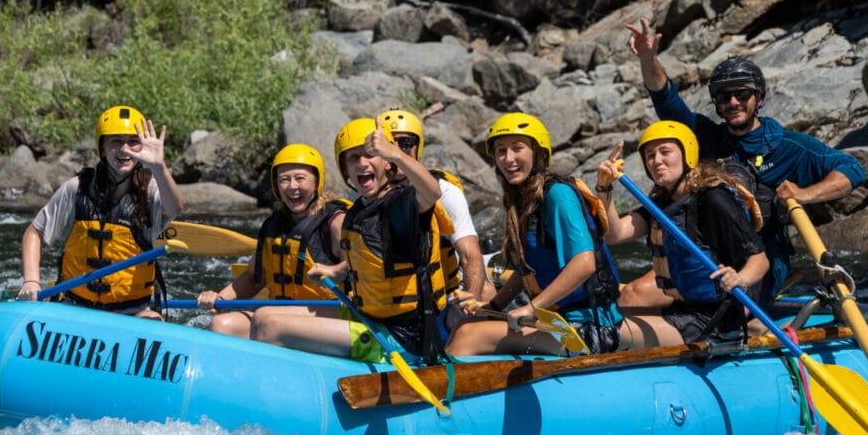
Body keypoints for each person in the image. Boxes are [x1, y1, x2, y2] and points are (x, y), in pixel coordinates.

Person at [625, 17, 865, 303]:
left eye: (743, 94)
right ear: (717, 104)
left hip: (763, 258)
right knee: (634, 293)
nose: (734, 103)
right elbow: (665, 98)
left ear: (759, 98)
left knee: (727, 306)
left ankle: (751, 316)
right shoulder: (704, 136)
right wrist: (648, 59)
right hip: (710, 253)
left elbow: (851, 169)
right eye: (724, 98)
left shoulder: (789, 146)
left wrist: (805, 194)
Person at [446, 113, 674, 357]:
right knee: (467, 324)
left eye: (517, 148)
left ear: (538, 154)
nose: (508, 158)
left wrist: (532, 307)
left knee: (467, 335)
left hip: (591, 327)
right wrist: (492, 306)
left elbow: (585, 263)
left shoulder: (558, 194)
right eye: (501, 151)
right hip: (556, 320)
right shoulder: (522, 202)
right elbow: (529, 272)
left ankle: (445, 381)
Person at [249, 115, 446, 364]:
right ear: (345, 170)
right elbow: (372, 263)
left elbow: (432, 192)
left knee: (271, 327)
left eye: (370, 154)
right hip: (369, 318)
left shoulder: (400, 205)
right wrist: (337, 272)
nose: (362, 163)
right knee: (264, 315)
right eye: (353, 158)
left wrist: (395, 153)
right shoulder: (358, 211)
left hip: (402, 339)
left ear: (387, 164)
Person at [597, 121, 770, 345]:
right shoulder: (662, 203)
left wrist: (740, 278)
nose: (656, 160)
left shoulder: (714, 199)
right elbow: (615, 234)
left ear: (687, 154)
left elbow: (760, 260)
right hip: (684, 307)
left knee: (606, 334)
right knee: (620, 306)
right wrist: (604, 188)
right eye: (650, 155)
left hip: (716, 317)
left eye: (665, 152)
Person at [18, 105, 183, 319]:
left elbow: (175, 208)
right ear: (102, 147)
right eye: (116, 141)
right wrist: (31, 281)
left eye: (133, 141)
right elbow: (35, 231)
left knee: (152, 320)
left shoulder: (151, 191)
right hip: (75, 305)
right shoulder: (76, 189)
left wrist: (159, 167)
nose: (125, 149)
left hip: (134, 311)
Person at [196, 143, 347, 337]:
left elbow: (358, 271)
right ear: (276, 186)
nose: (292, 186)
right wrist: (220, 300)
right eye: (284, 180)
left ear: (317, 181)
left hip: (331, 318)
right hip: (279, 316)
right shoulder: (273, 226)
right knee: (222, 324)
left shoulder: (336, 223)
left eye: (300, 178)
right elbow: (253, 277)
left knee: (266, 317)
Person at [379, 108, 496, 306]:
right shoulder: (367, 196)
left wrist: (470, 301)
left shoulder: (446, 193)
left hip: (446, 290)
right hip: (395, 297)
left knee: (485, 292)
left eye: (405, 143)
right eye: (389, 144)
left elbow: (469, 256)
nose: (396, 152)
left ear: (418, 148)